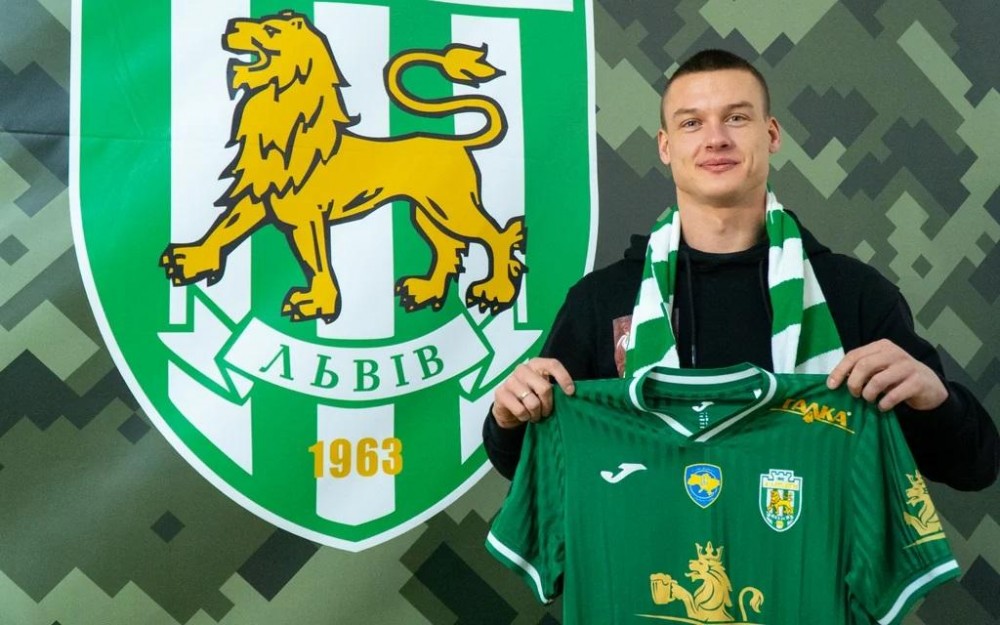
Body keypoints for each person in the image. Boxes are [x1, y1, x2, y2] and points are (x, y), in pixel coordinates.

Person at [483, 49, 999, 491]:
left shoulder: (852, 293)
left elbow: (974, 467)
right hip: (652, 571)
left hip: (813, 570)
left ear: (771, 134)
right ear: (666, 146)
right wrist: (508, 418)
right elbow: (532, 466)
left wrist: (935, 399)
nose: (715, 139)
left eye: (736, 118)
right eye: (691, 123)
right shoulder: (603, 301)